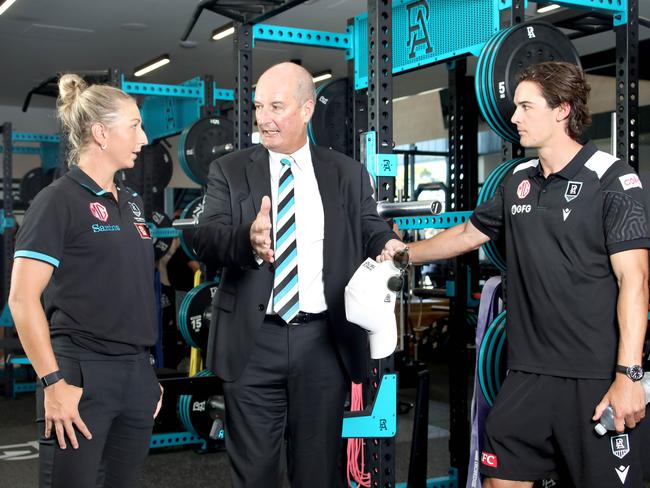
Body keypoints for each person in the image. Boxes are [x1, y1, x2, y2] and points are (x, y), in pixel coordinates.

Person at [379, 61, 649, 488]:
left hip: (593, 377)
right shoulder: (516, 181)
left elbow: (635, 281)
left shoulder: (613, 180)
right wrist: (402, 255)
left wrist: (628, 375)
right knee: (499, 476)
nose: (514, 117)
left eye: (526, 106)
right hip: (525, 372)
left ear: (561, 109)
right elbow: (469, 233)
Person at [192, 61, 402, 488]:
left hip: (322, 343)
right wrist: (246, 242)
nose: (263, 118)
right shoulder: (230, 171)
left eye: (276, 106)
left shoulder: (345, 172)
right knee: (255, 474)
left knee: (318, 471)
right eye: (257, 107)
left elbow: (369, 225)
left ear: (307, 110)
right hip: (253, 343)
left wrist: (387, 243)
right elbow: (204, 237)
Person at [8, 74, 162, 488]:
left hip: (135, 374)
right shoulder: (57, 201)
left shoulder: (130, 201)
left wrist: (145, 374)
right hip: (78, 373)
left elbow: (131, 290)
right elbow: (22, 300)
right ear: (100, 132)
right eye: (133, 126)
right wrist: (53, 384)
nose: (144, 138)